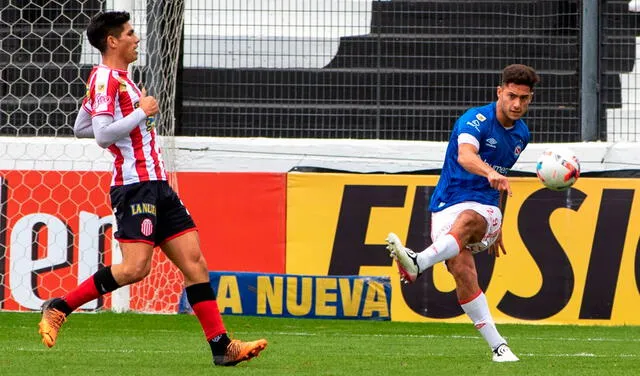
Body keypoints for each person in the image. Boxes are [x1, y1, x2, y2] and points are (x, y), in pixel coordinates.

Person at [38, 11, 267, 367]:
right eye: (130, 33)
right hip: (135, 188)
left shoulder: (120, 81)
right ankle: (60, 307)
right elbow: (100, 135)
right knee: (135, 269)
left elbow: (81, 126)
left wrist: (128, 117)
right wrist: (140, 113)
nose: (136, 39)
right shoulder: (105, 79)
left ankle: (222, 347)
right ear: (112, 41)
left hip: (158, 186)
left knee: (195, 264)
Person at [386, 64, 539, 363]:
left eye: (524, 98)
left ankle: (418, 263)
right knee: (464, 274)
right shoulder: (475, 119)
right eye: (512, 96)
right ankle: (500, 348)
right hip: (445, 206)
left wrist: (498, 225)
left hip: (483, 208)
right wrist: (489, 173)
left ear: (530, 99)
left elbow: (501, 180)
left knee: (470, 217)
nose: (517, 104)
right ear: (500, 92)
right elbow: (465, 156)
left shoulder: (522, 134)